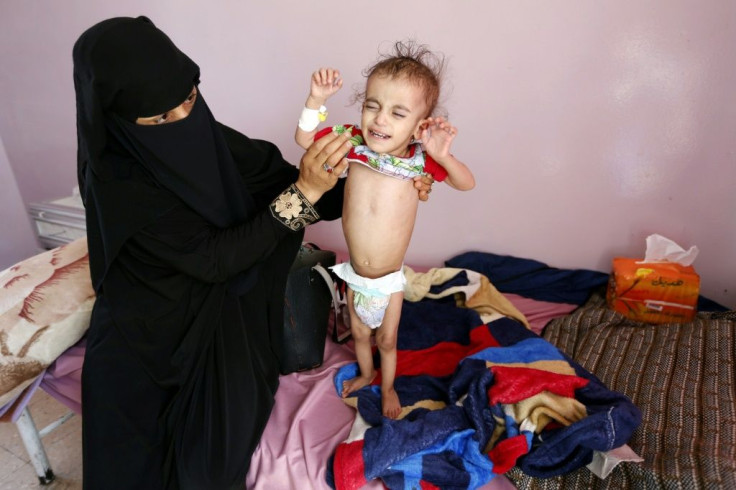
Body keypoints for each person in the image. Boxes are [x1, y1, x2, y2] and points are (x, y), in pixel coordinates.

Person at [73, 16, 433, 489]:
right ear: (117, 116)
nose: (184, 120)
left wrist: (370, 181)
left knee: (210, 456)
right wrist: (303, 195)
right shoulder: (117, 182)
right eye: (161, 118)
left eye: (190, 98)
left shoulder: (203, 134)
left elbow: (282, 179)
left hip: (222, 306)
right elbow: (214, 258)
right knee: (135, 462)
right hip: (148, 326)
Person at [295, 41, 475, 419]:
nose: (379, 120)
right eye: (372, 106)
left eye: (397, 113)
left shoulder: (420, 162)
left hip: (389, 280)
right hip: (355, 275)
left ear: (419, 126)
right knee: (360, 336)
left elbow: (466, 183)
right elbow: (305, 139)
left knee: (387, 339)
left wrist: (442, 155)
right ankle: (365, 374)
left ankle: (388, 386)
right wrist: (315, 101)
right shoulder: (354, 144)